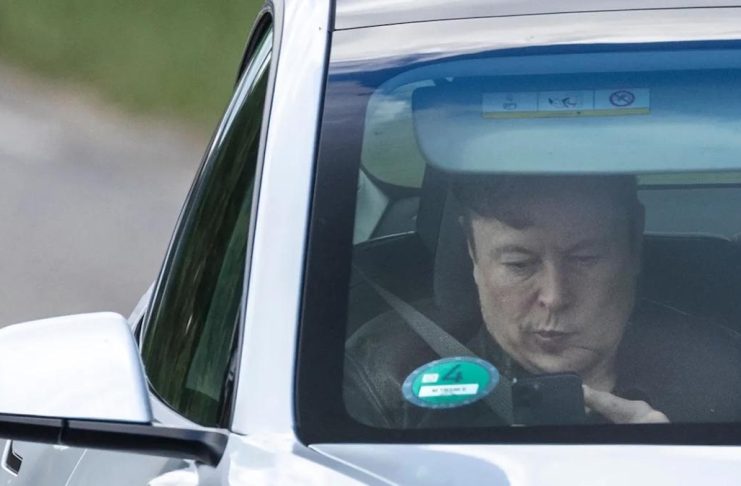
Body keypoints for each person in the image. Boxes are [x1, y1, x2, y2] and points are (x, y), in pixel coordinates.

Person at [344, 174, 741, 428]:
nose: (555, 296)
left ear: (633, 243)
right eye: (519, 264)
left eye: (585, 259)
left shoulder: (722, 378)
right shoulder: (385, 381)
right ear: (472, 251)